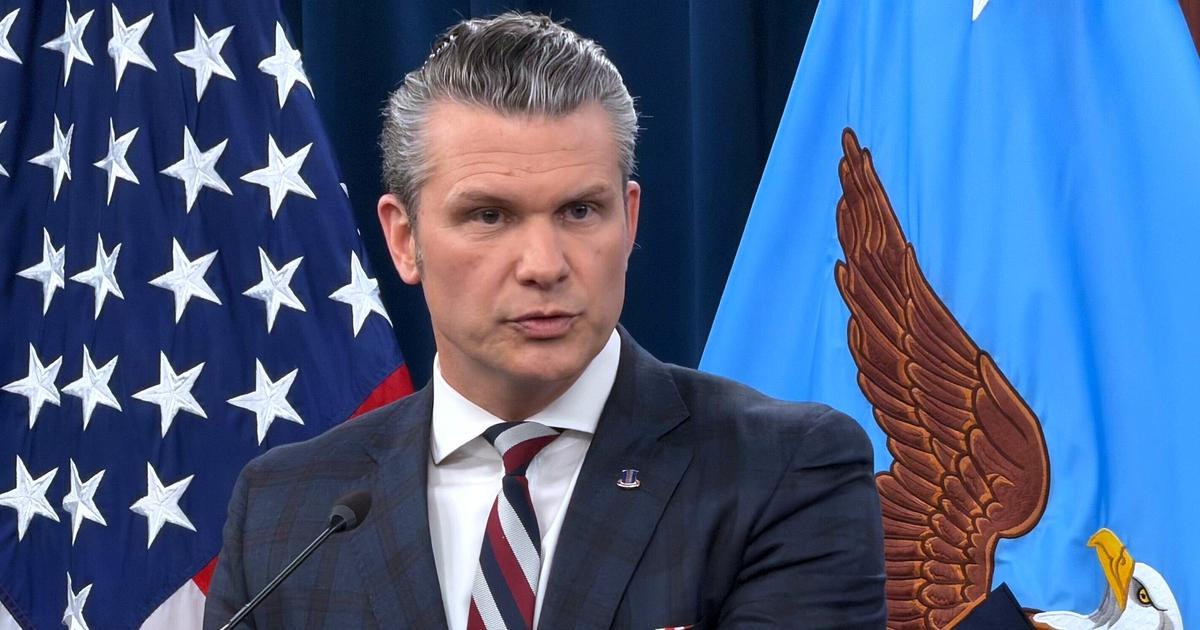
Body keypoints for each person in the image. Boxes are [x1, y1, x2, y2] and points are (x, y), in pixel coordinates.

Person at [204, 12, 885, 629]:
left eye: (580, 211)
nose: (544, 264)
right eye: (489, 216)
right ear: (405, 240)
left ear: (630, 220)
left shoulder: (781, 471)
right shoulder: (284, 512)